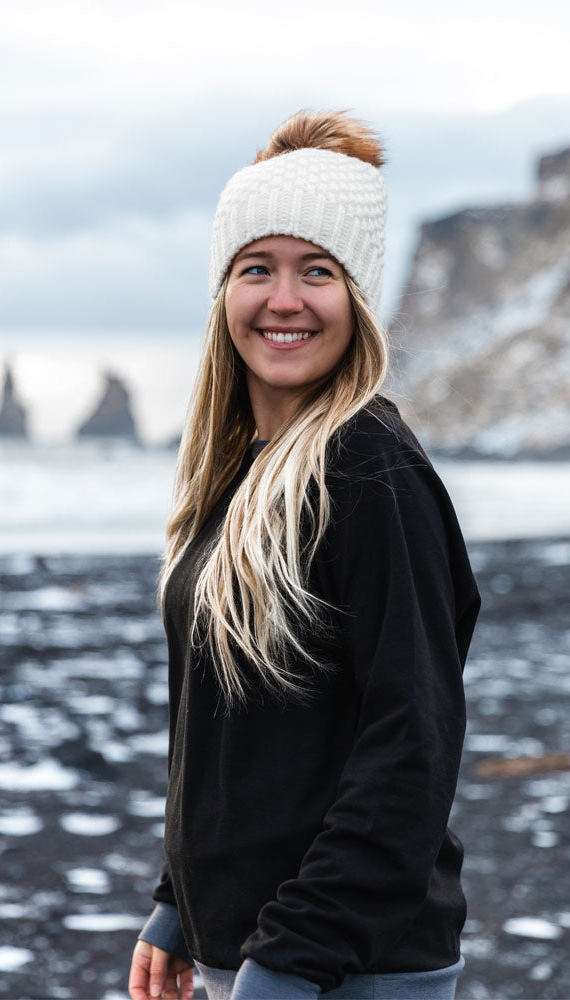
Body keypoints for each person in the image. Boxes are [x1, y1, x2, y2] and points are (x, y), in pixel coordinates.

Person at [128, 110, 481, 1000]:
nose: (284, 300)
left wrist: (292, 957)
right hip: (262, 952)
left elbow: (412, 747)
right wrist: (180, 900)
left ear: (356, 299)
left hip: (346, 966)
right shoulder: (241, 476)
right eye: (258, 268)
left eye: (316, 272)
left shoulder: (370, 473)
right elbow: (229, 728)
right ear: (224, 293)